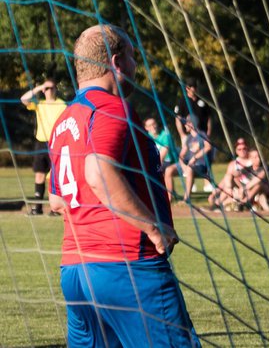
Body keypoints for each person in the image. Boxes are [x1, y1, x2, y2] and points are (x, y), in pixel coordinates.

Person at [48, 24, 198, 346]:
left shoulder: (64, 121)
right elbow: (98, 173)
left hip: (76, 271)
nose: (135, 66)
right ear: (116, 62)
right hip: (127, 265)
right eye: (132, 57)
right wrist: (154, 228)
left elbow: (56, 200)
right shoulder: (111, 107)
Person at [21, 76, 67, 215]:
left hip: (56, 143)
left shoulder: (62, 105)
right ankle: (37, 208)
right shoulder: (39, 104)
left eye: (50, 88)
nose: (48, 91)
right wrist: (38, 88)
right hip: (41, 143)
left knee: (56, 176)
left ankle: (56, 208)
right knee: (39, 175)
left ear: (55, 89)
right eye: (46, 88)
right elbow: (23, 99)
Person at [176, 117, 213, 203]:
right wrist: (182, 164)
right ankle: (169, 197)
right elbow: (182, 154)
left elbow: (208, 147)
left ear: (191, 124)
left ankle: (186, 198)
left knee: (189, 169)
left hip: (200, 165)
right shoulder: (188, 138)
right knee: (169, 170)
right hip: (188, 165)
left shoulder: (202, 135)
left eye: (186, 123)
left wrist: (195, 158)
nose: (185, 125)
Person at [208, 137, 253, 209]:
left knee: (229, 179)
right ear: (236, 151)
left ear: (248, 149)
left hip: (248, 189)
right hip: (234, 190)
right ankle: (220, 203)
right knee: (228, 177)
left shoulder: (252, 161)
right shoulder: (233, 164)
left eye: (244, 148)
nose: (242, 151)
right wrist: (214, 193)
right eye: (239, 149)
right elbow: (224, 180)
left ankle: (218, 205)